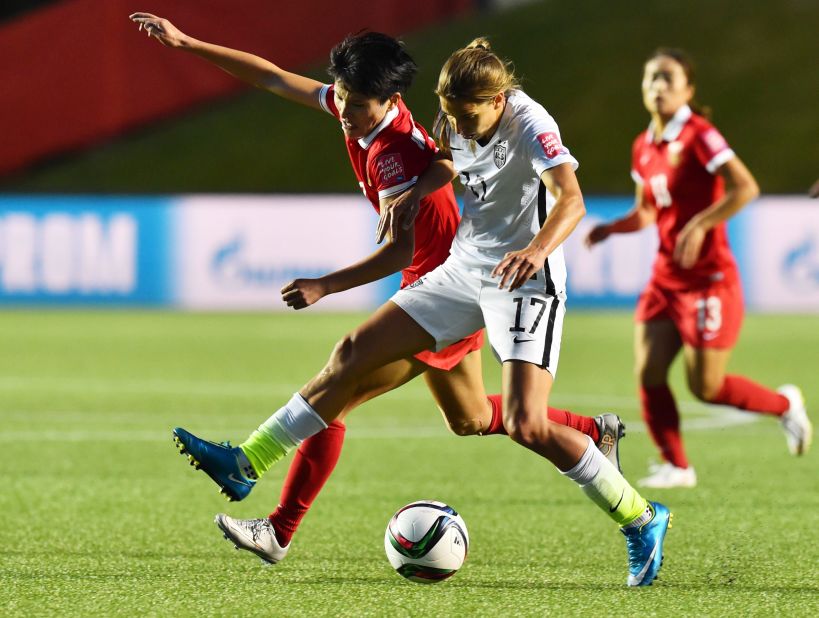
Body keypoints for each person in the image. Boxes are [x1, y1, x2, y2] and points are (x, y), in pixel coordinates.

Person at [129, 15, 626, 558]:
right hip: (449, 282)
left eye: (356, 104)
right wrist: (188, 43)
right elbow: (272, 77)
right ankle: (589, 430)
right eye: (340, 97)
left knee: (336, 392)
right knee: (470, 418)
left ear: (388, 100)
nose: (343, 111)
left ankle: (274, 521)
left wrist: (326, 284)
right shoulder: (366, 113)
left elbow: (402, 252)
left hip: (446, 287)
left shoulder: (394, 156)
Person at [585, 48, 813, 488]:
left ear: (688, 89)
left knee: (706, 386)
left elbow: (746, 188)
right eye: (652, 78)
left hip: (708, 278)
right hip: (666, 277)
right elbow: (647, 212)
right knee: (648, 372)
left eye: (669, 79)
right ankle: (677, 466)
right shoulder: (644, 146)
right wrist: (613, 228)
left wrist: (700, 223)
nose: (659, 86)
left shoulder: (699, 134)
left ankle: (784, 406)